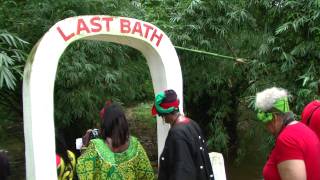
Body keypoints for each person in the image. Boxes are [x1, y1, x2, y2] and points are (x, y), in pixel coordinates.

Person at [255, 87, 320, 180]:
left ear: (274, 117)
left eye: (264, 120)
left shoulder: (287, 141)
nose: (265, 126)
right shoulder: (304, 130)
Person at [76, 102, 154, 180]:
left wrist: (84, 147)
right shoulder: (135, 145)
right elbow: (148, 175)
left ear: (105, 123)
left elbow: (83, 172)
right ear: (124, 122)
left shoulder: (96, 146)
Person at [151, 89, 214, 180]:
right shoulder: (191, 123)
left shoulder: (177, 133)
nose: (162, 118)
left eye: (161, 115)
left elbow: (183, 171)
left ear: (166, 113)